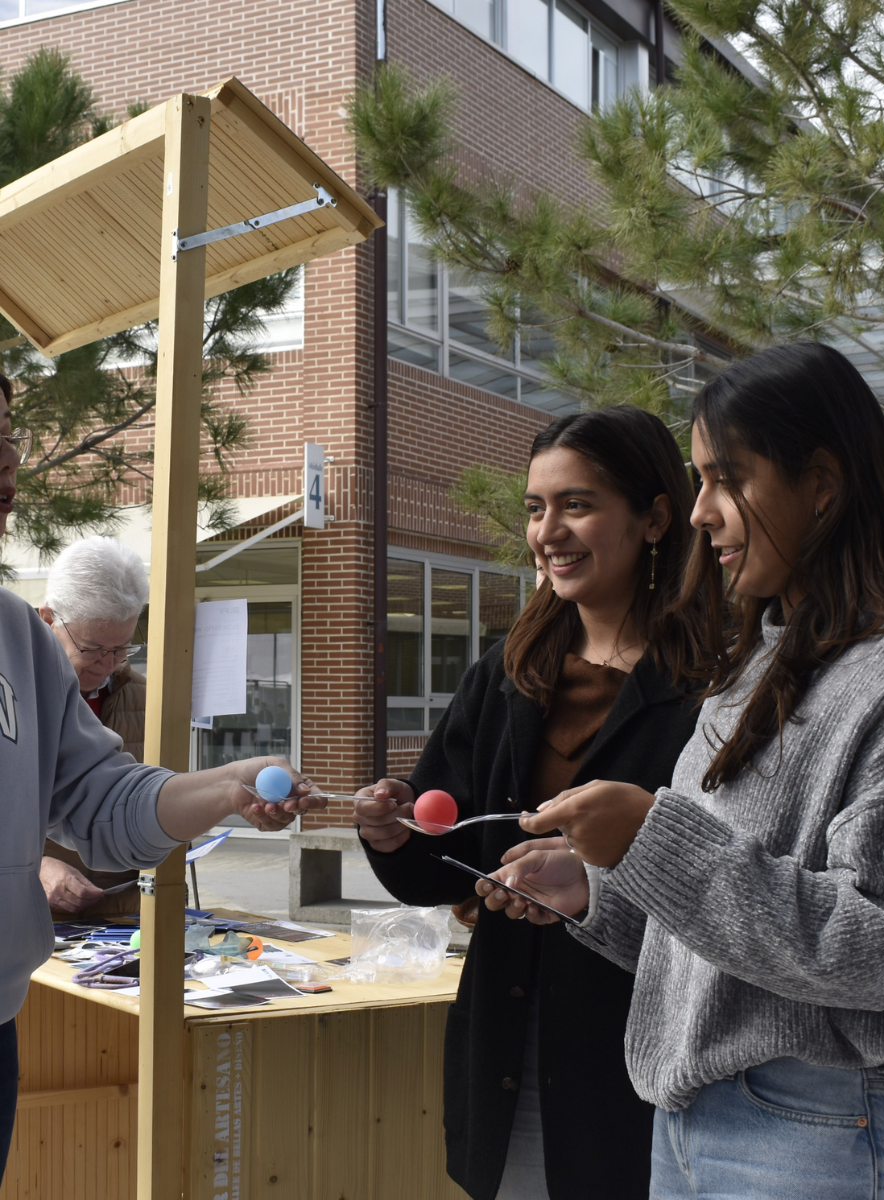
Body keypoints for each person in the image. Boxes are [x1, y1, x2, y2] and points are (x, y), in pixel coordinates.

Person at [478, 344, 884, 1200]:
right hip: (692, 1125)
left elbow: (873, 948)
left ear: (822, 482)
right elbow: (721, 937)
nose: (700, 514)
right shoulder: (754, 668)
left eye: (727, 480)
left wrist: (651, 838)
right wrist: (594, 889)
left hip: (831, 1132)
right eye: (698, 481)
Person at [353, 406, 715, 1200]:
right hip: (508, 1050)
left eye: (576, 504)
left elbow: (727, 886)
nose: (548, 531)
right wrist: (389, 832)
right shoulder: (508, 670)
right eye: (535, 508)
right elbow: (443, 866)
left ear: (656, 517)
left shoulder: (717, 687)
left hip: (647, 1058)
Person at [0, 373, 325, 1181]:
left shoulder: (16, 638)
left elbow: (105, 802)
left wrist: (230, 785)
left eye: (10, 441)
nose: (10, 470)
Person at [37, 536, 150, 916]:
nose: (107, 662)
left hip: (123, 922)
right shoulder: (14, 699)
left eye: (121, 648)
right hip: (29, 918)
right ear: (47, 620)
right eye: (91, 648)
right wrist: (33, 869)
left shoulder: (150, 701)